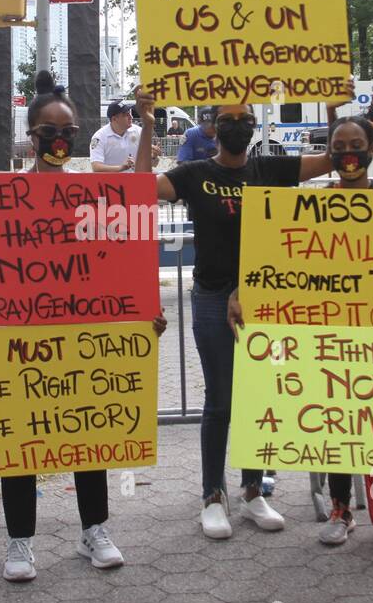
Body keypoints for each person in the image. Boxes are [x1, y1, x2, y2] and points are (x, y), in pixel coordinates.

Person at [0, 72, 166, 582]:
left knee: (88, 430)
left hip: (80, 338)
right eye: (48, 131)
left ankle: (95, 529)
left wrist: (140, 308)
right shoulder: (1, 200)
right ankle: (19, 541)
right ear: (31, 135)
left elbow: (137, 204)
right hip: (20, 341)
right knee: (19, 437)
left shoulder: (92, 194)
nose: (58, 140)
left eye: (67, 130)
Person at [135, 83, 348, 539]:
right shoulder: (193, 173)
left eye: (245, 120)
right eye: (227, 120)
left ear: (254, 127)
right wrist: (148, 123)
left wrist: (333, 111)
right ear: (213, 126)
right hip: (212, 298)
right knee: (220, 401)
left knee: (259, 398)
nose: (237, 127)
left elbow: (332, 160)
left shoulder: (268, 167)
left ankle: (254, 491)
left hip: (265, 300)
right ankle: (213, 495)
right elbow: (140, 188)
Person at [90, 99, 159, 173]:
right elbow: (96, 167)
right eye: (125, 115)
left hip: (136, 180)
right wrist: (121, 168)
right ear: (114, 119)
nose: (131, 117)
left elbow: (154, 164)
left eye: (129, 113)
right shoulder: (100, 137)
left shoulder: (139, 132)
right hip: (111, 182)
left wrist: (154, 156)